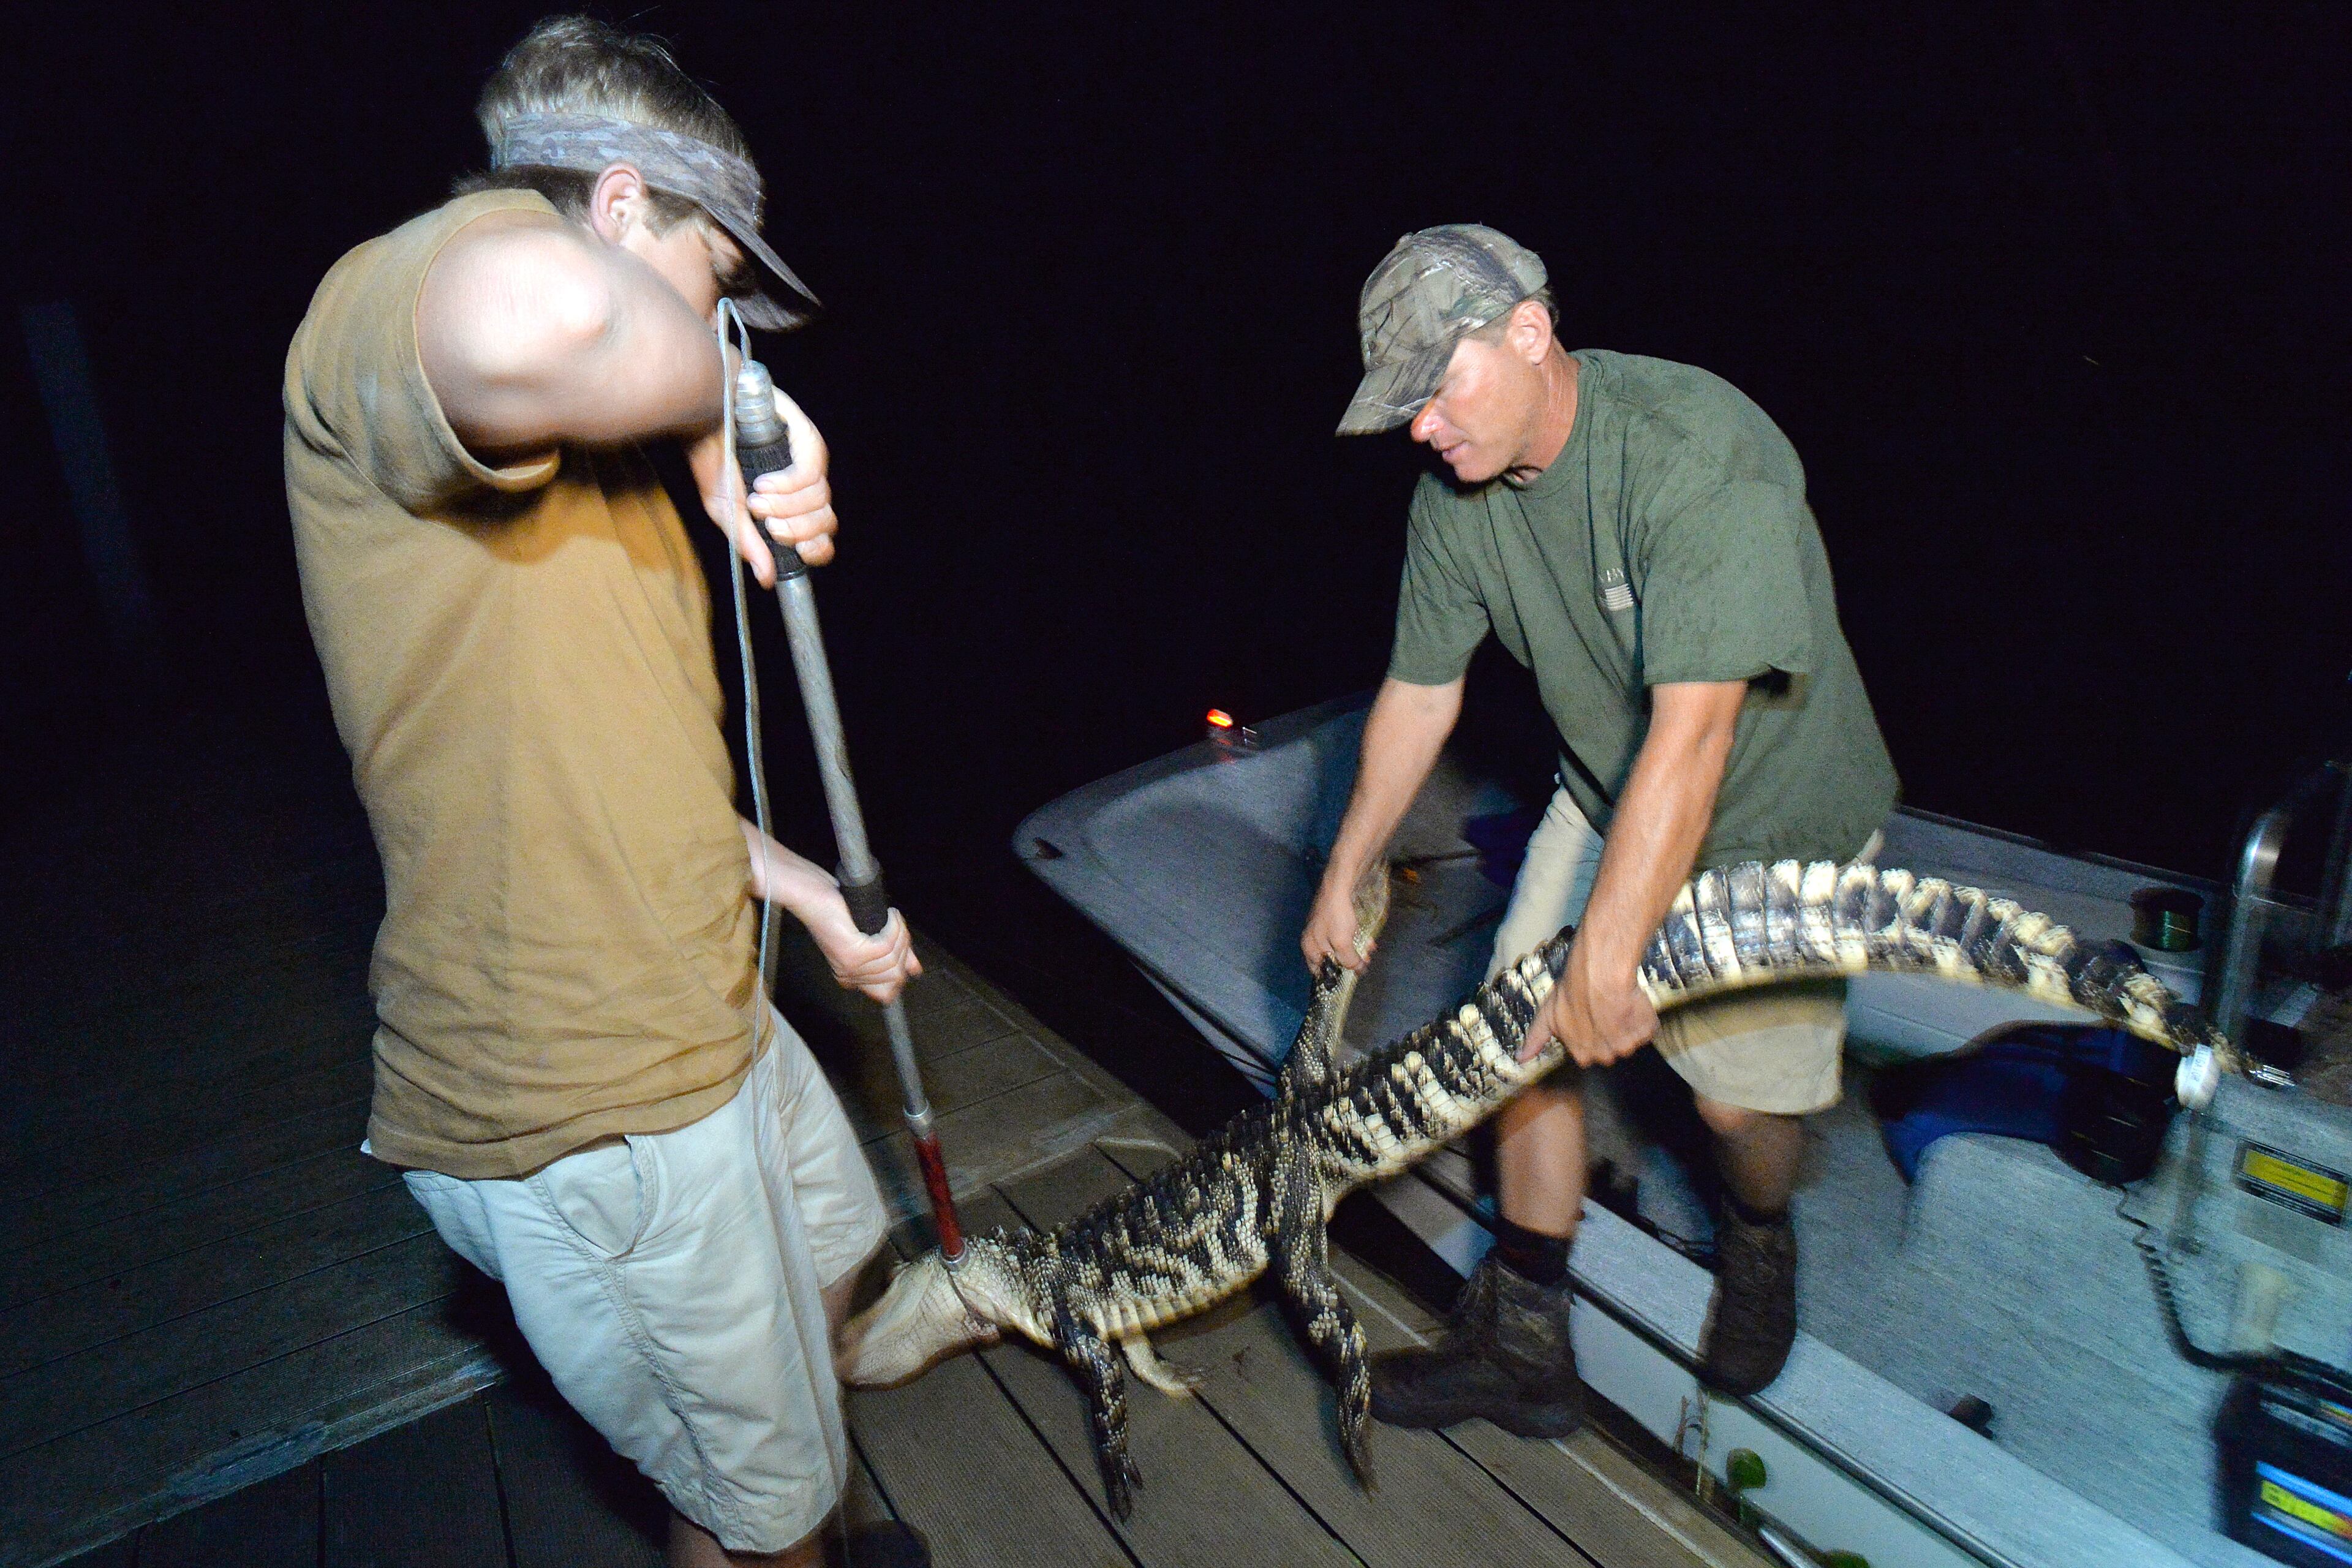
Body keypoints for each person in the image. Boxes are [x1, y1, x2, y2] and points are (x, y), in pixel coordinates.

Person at [284, 18, 925, 1567]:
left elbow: (617, 780)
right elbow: (525, 315)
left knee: (839, 1267)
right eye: (719, 287)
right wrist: (713, 397)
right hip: (588, 1092)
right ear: (625, 209)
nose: (731, 336)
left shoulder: (609, 481)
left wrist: (808, 902)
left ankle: (766, 1498)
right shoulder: (416, 280)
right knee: (769, 1509)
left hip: (704, 1002)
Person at [1302, 225, 1898, 1433]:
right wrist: (1343, 870)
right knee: (1514, 1043)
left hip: (1776, 810)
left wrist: (1611, 951)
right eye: (1402, 406)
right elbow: (1421, 692)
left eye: (1435, 391)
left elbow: (1699, 736)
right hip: (1608, 778)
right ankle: (1526, 1342)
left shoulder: (1697, 452)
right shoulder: (1459, 494)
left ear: (1530, 332)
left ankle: (1760, 1232)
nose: (1422, 429)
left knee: (1731, 1104)